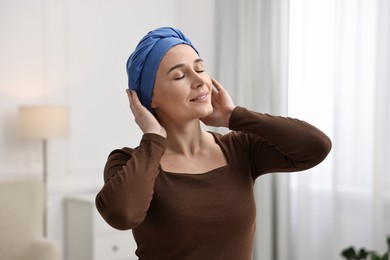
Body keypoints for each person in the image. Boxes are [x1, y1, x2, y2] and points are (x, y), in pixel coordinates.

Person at [95, 27, 332, 260]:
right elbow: (123, 215)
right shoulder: (128, 162)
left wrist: (234, 116)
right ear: (149, 97)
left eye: (200, 69)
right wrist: (153, 139)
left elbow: (316, 147)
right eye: (180, 75)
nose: (200, 80)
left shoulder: (239, 148)